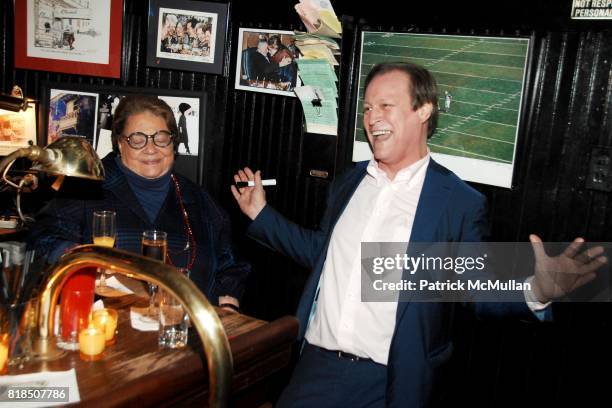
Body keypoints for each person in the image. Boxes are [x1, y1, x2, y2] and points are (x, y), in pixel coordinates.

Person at [231, 62, 606, 407]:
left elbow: (472, 285)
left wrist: (537, 289)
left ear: (423, 110)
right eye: (367, 108)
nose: (372, 117)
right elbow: (325, 255)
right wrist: (260, 213)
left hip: (391, 381)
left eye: (385, 105)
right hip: (316, 367)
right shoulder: (349, 183)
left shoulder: (455, 202)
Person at [29, 95, 249, 309]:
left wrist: (228, 302)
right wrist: (83, 259)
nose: (151, 148)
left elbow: (231, 264)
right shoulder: (86, 188)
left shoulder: (199, 199)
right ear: (119, 143)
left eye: (161, 137)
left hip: (185, 333)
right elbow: (43, 240)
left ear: (173, 143)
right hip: (108, 332)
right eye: (137, 138)